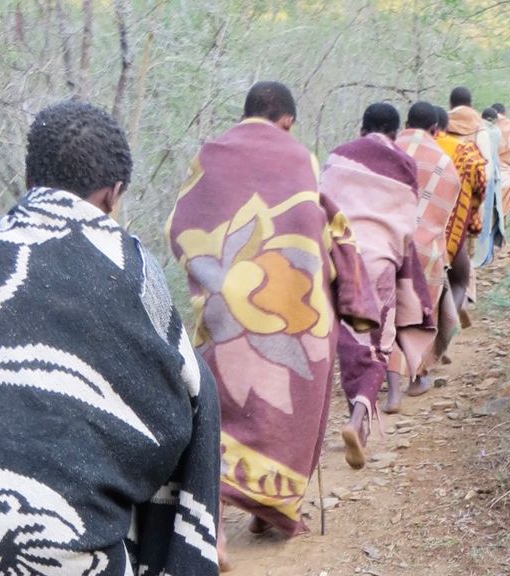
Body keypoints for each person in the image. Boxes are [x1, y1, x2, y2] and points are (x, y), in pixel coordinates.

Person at [0, 101, 221, 576]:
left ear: (31, 182)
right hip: (81, 560)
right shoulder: (129, 268)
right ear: (113, 196)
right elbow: (175, 407)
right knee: (198, 386)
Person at [167, 82, 379, 559]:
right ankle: (273, 510)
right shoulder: (299, 156)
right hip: (297, 307)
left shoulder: (210, 154)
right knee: (291, 412)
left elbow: (180, 222)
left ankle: (216, 531)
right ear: (287, 120)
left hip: (227, 297)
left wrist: (211, 275)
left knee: (222, 412)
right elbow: (315, 221)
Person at [319, 102, 434, 467]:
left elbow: (320, 207)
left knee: (342, 340)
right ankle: (358, 419)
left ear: (361, 127)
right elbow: (405, 222)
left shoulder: (338, 158)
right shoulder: (405, 164)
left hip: (335, 257)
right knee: (376, 344)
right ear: (396, 132)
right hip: (378, 258)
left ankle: (352, 422)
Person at [384, 101, 463, 412]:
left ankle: (385, 383)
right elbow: (445, 217)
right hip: (424, 248)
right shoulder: (445, 162)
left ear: (407, 122)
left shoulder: (388, 149)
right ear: (435, 129)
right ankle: (418, 376)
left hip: (385, 243)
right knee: (418, 314)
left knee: (387, 312)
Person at [436, 105, 487, 330]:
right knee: (459, 277)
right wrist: (472, 215)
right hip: (453, 229)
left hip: (407, 232)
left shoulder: (403, 150)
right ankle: (445, 331)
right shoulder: (466, 151)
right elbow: (480, 187)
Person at [472, 106, 506, 268]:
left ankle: (477, 255)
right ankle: (486, 255)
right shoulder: (496, 132)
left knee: (478, 215)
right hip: (492, 177)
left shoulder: (477, 130)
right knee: (490, 216)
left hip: (477, 176)